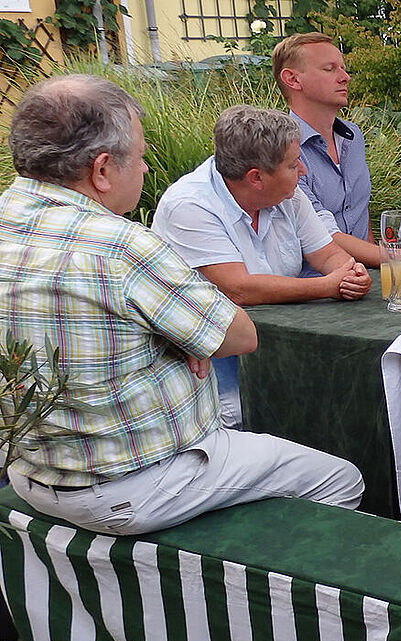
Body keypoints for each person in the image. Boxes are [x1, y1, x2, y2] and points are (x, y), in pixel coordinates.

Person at [0, 75, 363, 536]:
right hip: (138, 481)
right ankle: (252, 588)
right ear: (103, 170)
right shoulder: (120, 244)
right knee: (340, 479)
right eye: (141, 156)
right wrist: (183, 339)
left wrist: (173, 335)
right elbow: (239, 336)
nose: (147, 170)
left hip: (32, 471)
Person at [152, 104, 373, 427]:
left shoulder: (287, 194)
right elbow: (239, 288)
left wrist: (350, 272)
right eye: (293, 164)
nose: (303, 172)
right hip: (215, 376)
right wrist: (328, 286)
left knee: (348, 399)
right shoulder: (189, 206)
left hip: (281, 352)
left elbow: (327, 255)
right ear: (256, 177)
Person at [273, 32, 401, 276]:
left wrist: (381, 267)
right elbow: (321, 232)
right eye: (330, 69)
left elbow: (360, 212)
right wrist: (400, 258)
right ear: (293, 79)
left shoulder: (353, 136)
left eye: (343, 68)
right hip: (317, 291)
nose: (345, 77)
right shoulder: (281, 150)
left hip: (367, 277)